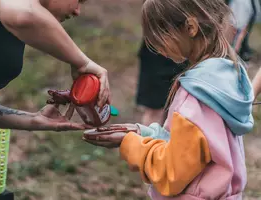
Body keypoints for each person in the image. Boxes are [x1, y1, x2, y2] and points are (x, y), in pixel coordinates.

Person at [84, 0, 254, 199]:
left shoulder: (196, 97)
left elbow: (171, 173)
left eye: (159, 37)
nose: (156, 48)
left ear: (190, 27)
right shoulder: (225, 80)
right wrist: (144, 133)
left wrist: (131, 144)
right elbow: (198, 147)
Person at [0, 0, 110, 199]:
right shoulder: (15, 10)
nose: (77, 11)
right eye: (78, 0)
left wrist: (33, 120)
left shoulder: (5, 25)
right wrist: (82, 62)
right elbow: (22, 14)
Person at [136, 40, 186, 126]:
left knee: (180, 111)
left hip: (187, 52)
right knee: (154, 110)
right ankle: (149, 139)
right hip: (157, 54)